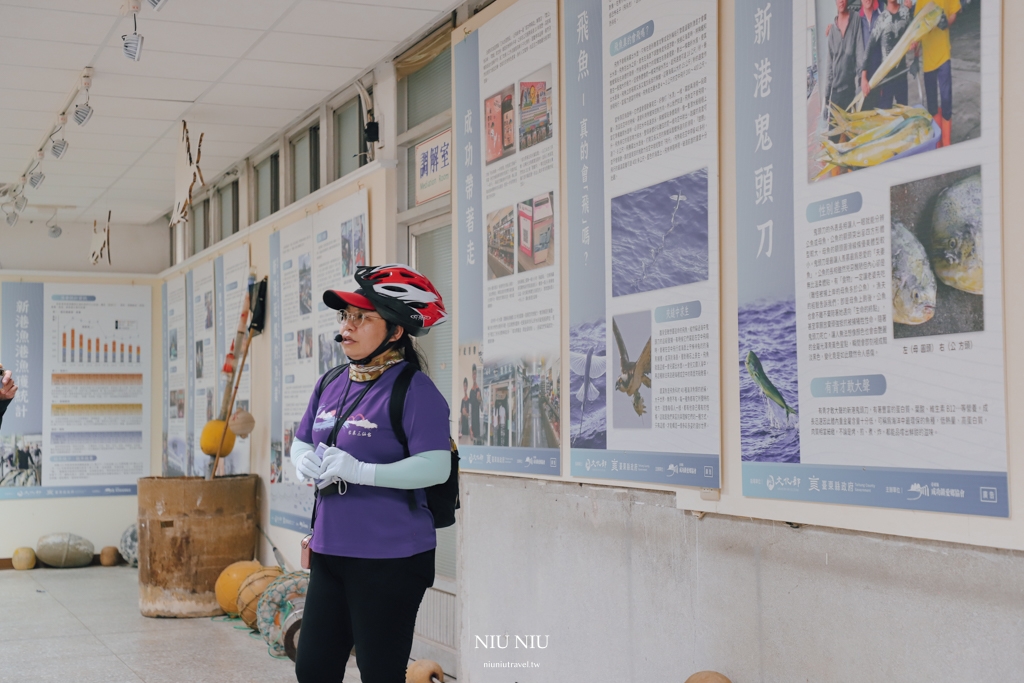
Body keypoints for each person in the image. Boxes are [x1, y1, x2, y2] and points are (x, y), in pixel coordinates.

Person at [290, 264, 451, 683]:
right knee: (313, 670)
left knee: (379, 672)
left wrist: (361, 471)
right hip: (331, 552)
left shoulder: (414, 389)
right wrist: (301, 459)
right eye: (345, 316)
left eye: (363, 317)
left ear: (395, 331)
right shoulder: (331, 381)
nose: (349, 326)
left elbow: (436, 466)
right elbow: (302, 438)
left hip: (390, 557)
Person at [917, 0, 960, 147]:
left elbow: (954, 12)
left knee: (946, 101)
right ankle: (938, 142)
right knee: (932, 105)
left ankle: (947, 143)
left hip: (943, 56)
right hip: (928, 61)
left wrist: (947, 22)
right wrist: (915, 52)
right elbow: (917, 27)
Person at [863, 0, 915, 109]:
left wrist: (914, 45)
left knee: (903, 113)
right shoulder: (882, 19)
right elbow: (869, 49)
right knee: (886, 116)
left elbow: (914, 35)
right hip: (886, 78)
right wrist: (864, 77)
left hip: (901, 74)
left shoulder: (905, 13)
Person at [856, 0, 884, 111]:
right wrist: (832, 27)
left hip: (880, 76)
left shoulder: (881, 16)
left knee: (881, 115)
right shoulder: (856, 20)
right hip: (864, 80)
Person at [469, 364, 482, 445]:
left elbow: (484, 409)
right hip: (473, 426)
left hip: (479, 426)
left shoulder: (479, 390)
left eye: (475, 373)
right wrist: (470, 428)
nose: (474, 375)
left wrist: (479, 399)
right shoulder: (471, 391)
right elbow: (470, 410)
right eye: (473, 374)